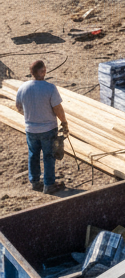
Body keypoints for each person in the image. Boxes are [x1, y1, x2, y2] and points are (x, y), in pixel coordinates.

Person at [15, 60, 69, 194]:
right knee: (48, 156)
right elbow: (57, 108)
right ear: (43, 71)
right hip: (48, 129)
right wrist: (64, 122)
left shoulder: (23, 87)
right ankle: (49, 184)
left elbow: (18, 107)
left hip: (30, 129)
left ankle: (34, 182)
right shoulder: (50, 88)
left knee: (33, 154)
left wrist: (30, 117)